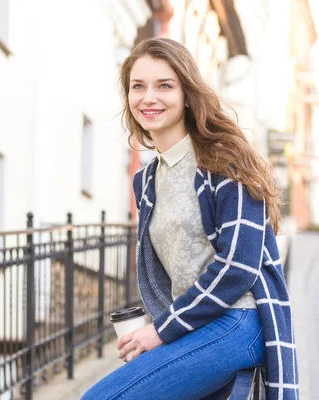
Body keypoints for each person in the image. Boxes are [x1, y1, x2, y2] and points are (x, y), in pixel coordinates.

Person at [81, 38, 298, 400]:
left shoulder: (225, 161)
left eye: (164, 85)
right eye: (138, 86)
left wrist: (161, 331)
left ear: (187, 93)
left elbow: (237, 267)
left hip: (240, 323)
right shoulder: (147, 179)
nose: (149, 97)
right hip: (195, 328)